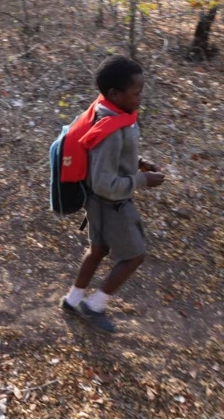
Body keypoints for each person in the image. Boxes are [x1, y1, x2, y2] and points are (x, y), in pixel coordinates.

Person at [60, 55, 166, 333]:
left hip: (100, 203)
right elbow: (104, 181)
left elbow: (112, 156)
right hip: (111, 204)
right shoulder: (112, 129)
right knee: (134, 256)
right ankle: (94, 305)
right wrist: (142, 179)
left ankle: (72, 300)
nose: (141, 97)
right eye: (137, 92)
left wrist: (139, 161)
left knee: (98, 249)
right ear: (115, 93)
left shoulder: (112, 113)